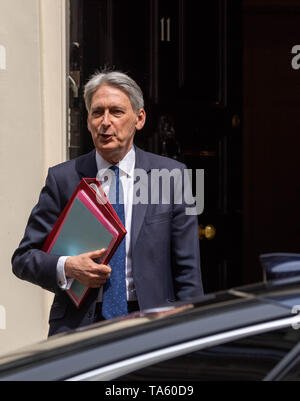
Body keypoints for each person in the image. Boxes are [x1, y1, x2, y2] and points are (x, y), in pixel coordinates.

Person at [12, 70, 203, 336]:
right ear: (88, 121)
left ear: (139, 119)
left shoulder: (172, 176)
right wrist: (68, 267)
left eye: (116, 112)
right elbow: (24, 259)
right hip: (79, 326)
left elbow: (188, 270)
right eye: (97, 112)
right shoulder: (63, 178)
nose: (105, 122)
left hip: (152, 323)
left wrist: (190, 332)